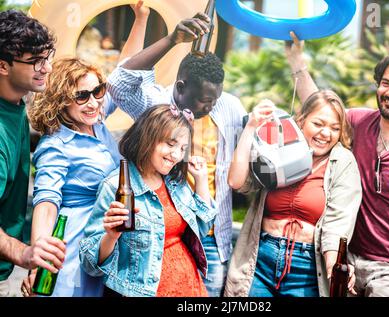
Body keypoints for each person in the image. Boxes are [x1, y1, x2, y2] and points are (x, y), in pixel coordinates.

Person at [286, 32, 389, 297]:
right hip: (346, 257)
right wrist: (297, 62)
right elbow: (320, 108)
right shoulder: (359, 122)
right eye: (385, 83)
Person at [107, 12, 246, 296]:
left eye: (216, 99)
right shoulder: (156, 104)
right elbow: (118, 84)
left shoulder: (228, 106)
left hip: (210, 236)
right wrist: (172, 40)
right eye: (205, 101)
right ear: (181, 88)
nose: (211, 107)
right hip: (161, 236)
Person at [21, 2, 151, 297]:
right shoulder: (55, 145)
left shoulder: (95, 118)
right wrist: (37, 257)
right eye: (81, 95)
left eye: (98, 90)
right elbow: (47, 202)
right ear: (60, 100)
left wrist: (140, 18)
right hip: (74, 249)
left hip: (108, 242)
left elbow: (126, 70)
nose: (93, 101)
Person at [224, 93, 361, 297]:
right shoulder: (277, 146)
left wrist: (334, 266)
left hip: (306, 269)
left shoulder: (343, 161)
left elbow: (338, 224)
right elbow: (236, 181)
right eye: (318, 124)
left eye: (335, 128)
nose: (326, 133)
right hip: (260, 261)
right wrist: (251, 127)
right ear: (301, 120)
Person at [79, 105, 217, 297]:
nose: (176, 155)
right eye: (170, 144)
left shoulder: (175, 182)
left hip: (192, 288)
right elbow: (89, 264)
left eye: (183, 149)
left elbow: (201, 231)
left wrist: (201, 180)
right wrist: (111, 236)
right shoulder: (115, 186)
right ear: (148, 137)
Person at [0, 9, 66, 297]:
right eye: (36, 62)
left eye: (47, 58)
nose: (47, 68)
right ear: (3, 66)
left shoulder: (15, 103)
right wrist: (24, 253)